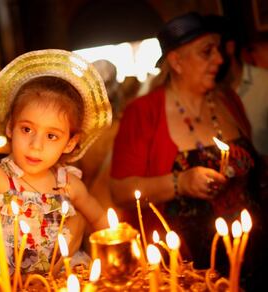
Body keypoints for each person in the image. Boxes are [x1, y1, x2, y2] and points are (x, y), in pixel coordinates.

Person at [110, 12, 267, 290]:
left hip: (253, 252)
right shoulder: (143, 113)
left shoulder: (227, 98)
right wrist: (179, 183)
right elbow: (120, 191)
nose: (219, 59)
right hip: (191, 267)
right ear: (177, 61)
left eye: (218, 49)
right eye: (207, 51)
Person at [0, 49, 111, 282]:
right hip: (11, 284)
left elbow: (100, 219)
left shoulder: (69, 183)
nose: (35, 145)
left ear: (70, 143)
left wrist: (115, 250)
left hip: (63, 280)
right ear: (10, 127)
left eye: (51, 136)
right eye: (27, 129)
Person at [208, 14, 268, 159]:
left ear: (229, 47)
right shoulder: (207, 94)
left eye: (210, 50)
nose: (209, 61)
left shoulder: (264, 84)